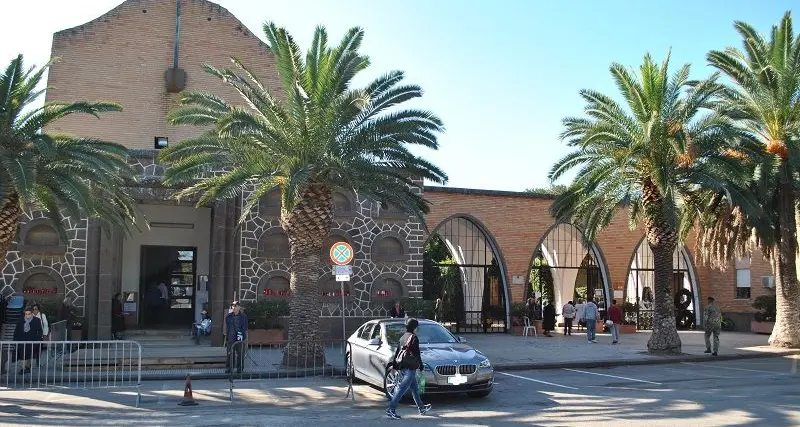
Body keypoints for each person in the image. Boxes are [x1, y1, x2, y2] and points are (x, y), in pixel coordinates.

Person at [386, 318, 431, 419]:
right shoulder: (414, 338)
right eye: (417, 327)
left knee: (414, 388)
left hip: (403, 366)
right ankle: (391, 409)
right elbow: (417, 353)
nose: (417, 329)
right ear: (414, 327)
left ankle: (421, 408)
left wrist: (394, 366)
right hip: (410, 368)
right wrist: (421, 366)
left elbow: (397, 352)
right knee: (401, 389)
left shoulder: (403, 337)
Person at [13, 307, 43, 374]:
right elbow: (16, 330)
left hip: (32, 340)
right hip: (22, 340)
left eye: (29, 314)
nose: (27, 315)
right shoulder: (21, 320)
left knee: (29, 354)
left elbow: (40, 330)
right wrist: (15, 340)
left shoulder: (37, 320)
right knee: (22, 355)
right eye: (26, 314)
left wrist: (37, 339)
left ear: (32, 314)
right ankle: (23, 368)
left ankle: (27, 367)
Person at [225, 301, 248, 373]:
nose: (233, 307)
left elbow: (245, 327)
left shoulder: (243, 316)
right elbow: (228, 327)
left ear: (239, 307)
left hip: (240, 337)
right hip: (231, 337)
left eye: (235, 306)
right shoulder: (228, 316)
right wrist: (227, 337)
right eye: (232, 306)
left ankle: (240, 368)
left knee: (240, 354)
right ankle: (229, 368)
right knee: (230, 353)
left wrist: (242, 335)